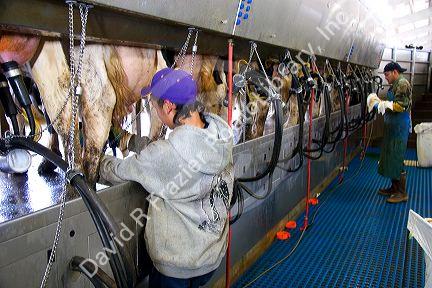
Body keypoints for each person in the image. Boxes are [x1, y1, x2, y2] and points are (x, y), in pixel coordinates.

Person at [99, 68, 234, 287]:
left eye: (154, 107)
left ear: (169, 106)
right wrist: (129, 140)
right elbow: (173, 153)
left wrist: (93, 160)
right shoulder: (219, 135)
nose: (156, 114)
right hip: (210, 256)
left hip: (177, 268)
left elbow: (121, 170)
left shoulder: (165, 155)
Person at [374, 62, 412, 203]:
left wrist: (382, 105)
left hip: (399, 127)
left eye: (387, 74)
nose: (386, 78)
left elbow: (400, 106)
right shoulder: (395, 84)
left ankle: (402, 193)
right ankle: (394, 188)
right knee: (391, 156)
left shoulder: (402, 84)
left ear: (395, 72)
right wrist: (382, 103)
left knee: (397, 157)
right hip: (393, 126)